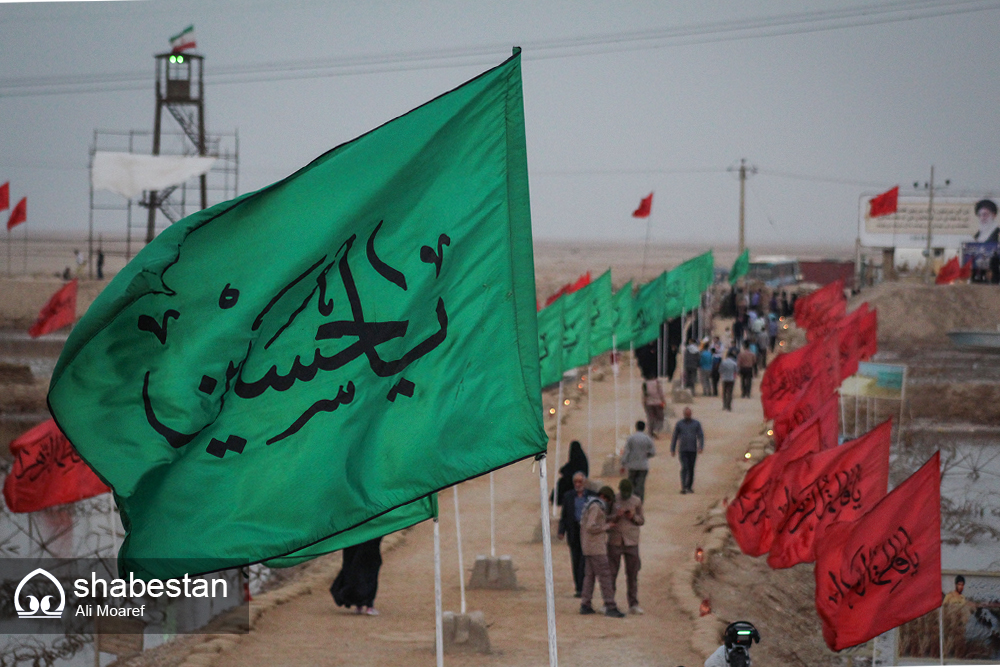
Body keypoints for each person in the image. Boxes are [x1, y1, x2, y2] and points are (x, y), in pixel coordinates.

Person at [579, 486, 625, 618]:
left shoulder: (591, 505)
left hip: (588, 547)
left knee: (589, 576)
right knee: (605, 576)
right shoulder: (596, 507)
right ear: (605, 497)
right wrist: (606, 527)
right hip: (596, 547)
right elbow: (591, 526)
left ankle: (585, 603)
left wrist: (614, 518)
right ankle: (610, 605)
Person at [607, 478, 644, 615]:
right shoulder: (613, 500)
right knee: (611, 573)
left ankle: (633, 603)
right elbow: (606, 518)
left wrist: (633, 517)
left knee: (632, 574)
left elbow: (641, 520)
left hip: (631, 542)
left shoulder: (636, 501)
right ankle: (609, 602)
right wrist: (616, 516)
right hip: (615, 541)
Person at [558, 471, 596, 598]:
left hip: (587, 532)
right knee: (575, 560)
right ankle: (579, 588)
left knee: (585, 562)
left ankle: (585, 587)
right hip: (574, 532)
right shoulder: (568, 496)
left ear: (584, 482)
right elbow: (564, 516)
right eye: (576, 482)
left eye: (580, 481)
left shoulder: (592, 496)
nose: (578, 484)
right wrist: (561, 531)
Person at [330, 536, 383, 615]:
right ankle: (369, 606)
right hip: (368, 540)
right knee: (369, 570)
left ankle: (360, 605)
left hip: (354, 539)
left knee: (355, 570)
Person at [671, 407, 704, 494]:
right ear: (684, 414)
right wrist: (672, 448)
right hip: (683, 449)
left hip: (693, 450)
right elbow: (675, 437)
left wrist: (701, 446)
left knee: (691, 468)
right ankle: (683, 486)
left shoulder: (696, 424)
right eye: (686, 414)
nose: (687, 415)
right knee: (684, 467)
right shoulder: (679, 424)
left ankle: (689, 486)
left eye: (689, 414)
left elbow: (700, 435)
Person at [620, 421, 656, 501]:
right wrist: (646, 455)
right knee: (640, 485)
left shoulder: (631, 438)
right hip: (643, 466)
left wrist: (623, 464)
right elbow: (653, 452)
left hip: (632, 466)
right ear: (644, 428)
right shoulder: (647, 438)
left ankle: (631, 501)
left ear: (636, 427)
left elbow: (626, 452)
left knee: (631, 485)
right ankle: (639, 502)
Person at [942, 575, 974, 658]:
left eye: (962, 585)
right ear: (955, 585)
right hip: (950, 623)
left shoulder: (963, 598)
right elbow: (944, 608)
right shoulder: (949, 596)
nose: (961, 587)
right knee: (948, 641)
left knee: (959, 641)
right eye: (959, 584)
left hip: (960, 624)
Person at [554, 441, 588, 505]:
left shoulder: (580, 458)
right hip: (573, 477)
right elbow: (570, 465)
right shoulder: (578, 456)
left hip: (578, 478)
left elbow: (575, 469)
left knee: (563, 483)